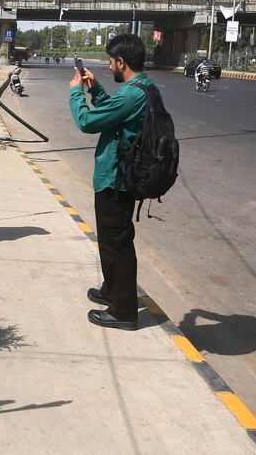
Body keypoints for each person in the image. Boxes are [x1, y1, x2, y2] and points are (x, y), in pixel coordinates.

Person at [68, 34, 150, 331]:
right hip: (122, 176)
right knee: (112, 240)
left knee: (117, 244)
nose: (108, 65)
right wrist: (95, 87)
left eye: (110, 61)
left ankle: (124, 311)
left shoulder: (131, 94)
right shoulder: (142, 88)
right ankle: (111, 290)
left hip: (115, 180)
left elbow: (89, 122)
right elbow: (115, 114)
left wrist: (77, 92)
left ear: (121, 62)